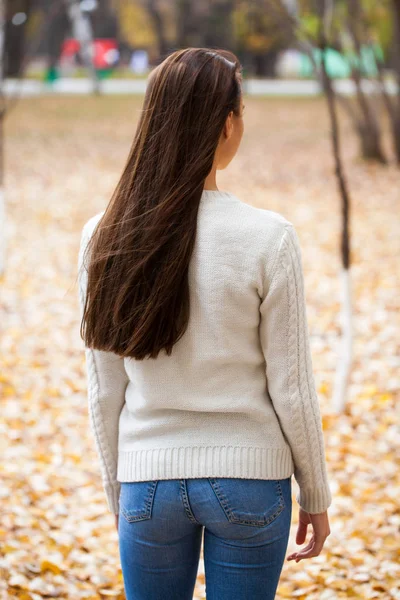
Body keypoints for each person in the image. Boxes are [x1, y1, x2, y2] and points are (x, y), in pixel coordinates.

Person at [77, 47, 332, 600]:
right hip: (252, 481)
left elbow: (104, 390)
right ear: (225, 124)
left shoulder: (105, 235)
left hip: (147, 483)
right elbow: (292, 387)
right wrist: (316, 491)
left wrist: (118, 486)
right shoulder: (269, 237)